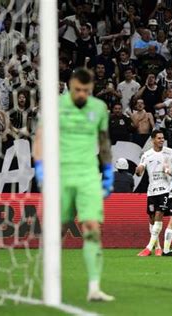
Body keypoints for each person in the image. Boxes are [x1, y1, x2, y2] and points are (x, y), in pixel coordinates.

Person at [33, 68, 114, 302]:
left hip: (88, 175)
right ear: (71, 85)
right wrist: (40, 167)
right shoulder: (55, 106)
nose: (82, 94)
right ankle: (49, 281)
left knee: (91, 227)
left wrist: (107, 171)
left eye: (86, 91)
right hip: (60, 174)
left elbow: (103, 141)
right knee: (57, 230)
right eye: (78, 90)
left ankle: (94, 287)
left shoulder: (98, 108)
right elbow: (40, 138)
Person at [136, 130, 172, 257]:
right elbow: (140, 170)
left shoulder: (170, 152)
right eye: (159, 138)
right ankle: (157, 247)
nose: (161, 140)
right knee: (152, 218)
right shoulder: (147, 155)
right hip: (152, 191)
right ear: (153, 140)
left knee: (159, 214)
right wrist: (139, 170)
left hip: (165, 189)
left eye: (162, 138)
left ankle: (148, 247)